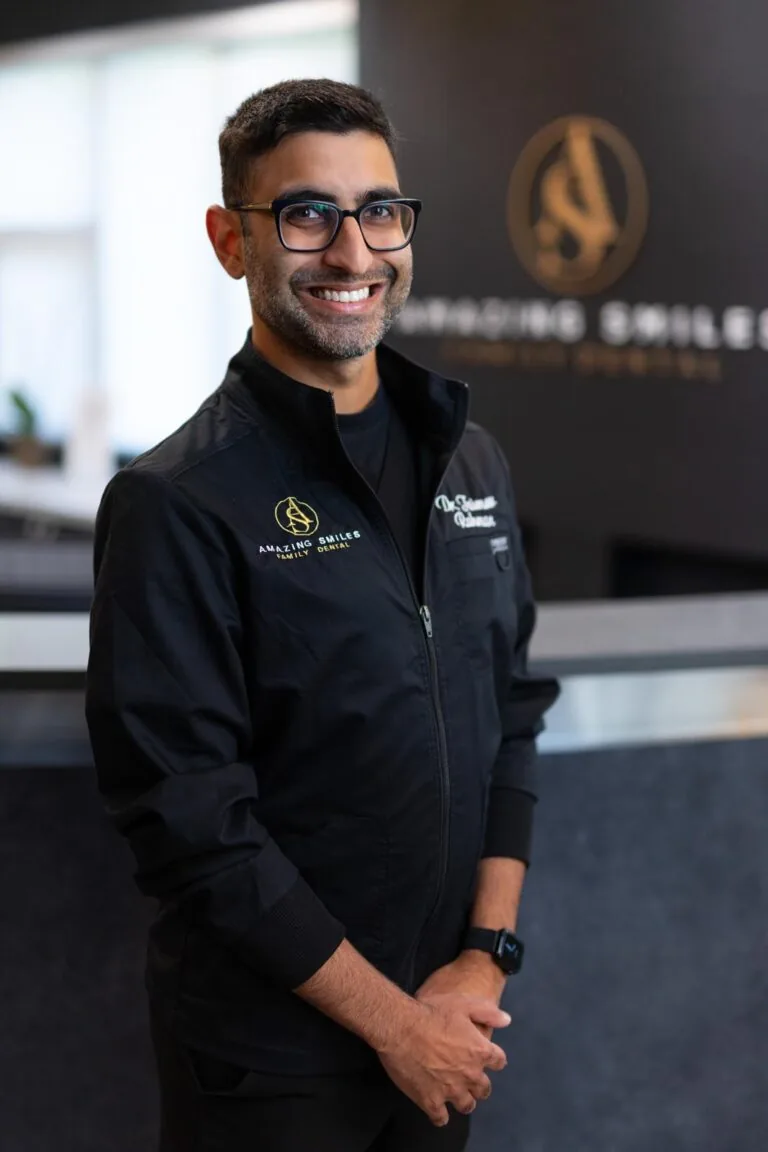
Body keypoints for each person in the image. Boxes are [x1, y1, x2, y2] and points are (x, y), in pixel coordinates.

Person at [85, 78, 560, 1152]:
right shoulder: (177, 501)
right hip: (271, 1066)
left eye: (379, 210)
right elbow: (193, 828)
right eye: (307, 213)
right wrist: (397, 1027)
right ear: (232, 240)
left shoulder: (470, 460)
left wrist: (484, 958)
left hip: (447, 1025)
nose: (353, 253)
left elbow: (513, 719)